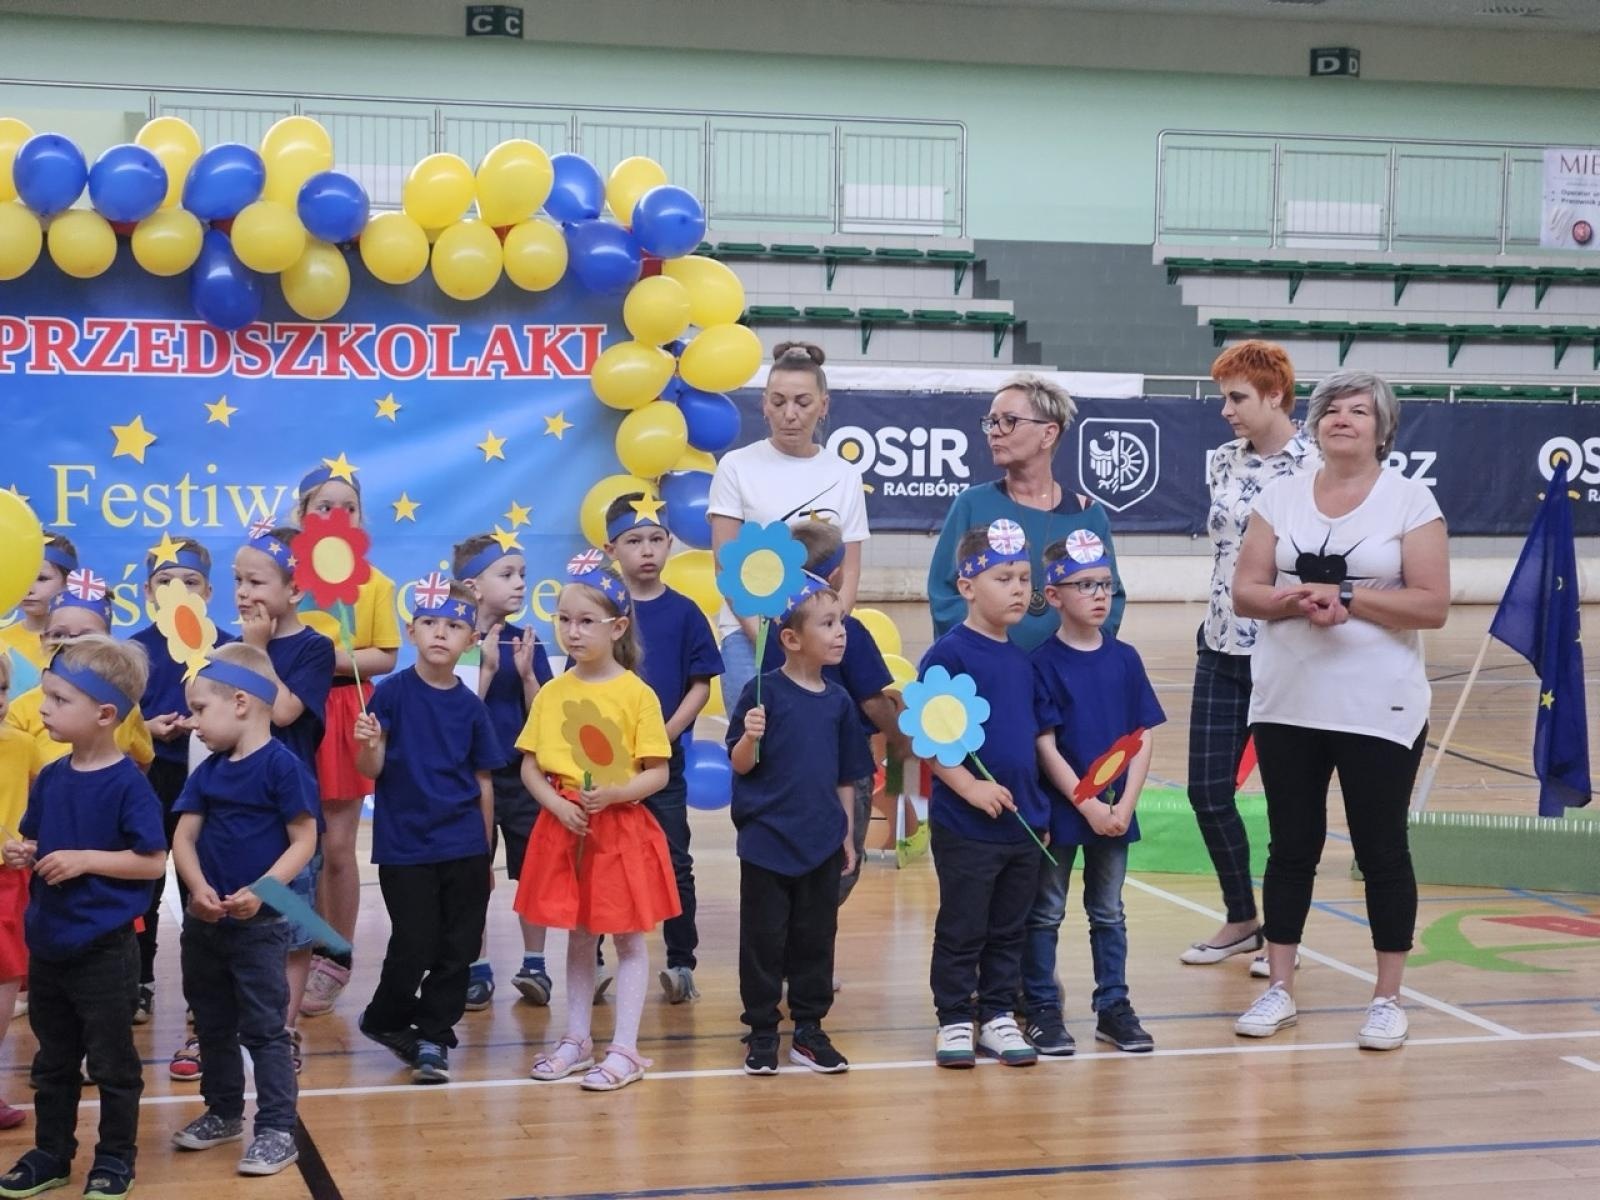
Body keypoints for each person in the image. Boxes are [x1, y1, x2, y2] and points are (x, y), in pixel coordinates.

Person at [1230, 370, 1449, 1052]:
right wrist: (1295, 600)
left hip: (1378, 706)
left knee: (1382, 849)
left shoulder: (1411, 501)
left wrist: (1347, 599)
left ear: (1383, 429)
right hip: (1289, 699)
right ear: (1315, 425)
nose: (1342, 419)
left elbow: (1432, 604)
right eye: (1331, 410)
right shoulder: (1281, 495)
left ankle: (1387, 997)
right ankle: (1280, 988)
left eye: (1359, 411)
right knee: (1291, 846)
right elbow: (1245, 590)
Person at [0, 636, 165, 1200]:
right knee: (52, 1060)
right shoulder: (51, 777)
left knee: (113, 1062)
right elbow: (37, 837)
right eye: (44, 696)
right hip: (49, 944)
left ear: (104, 714)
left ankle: (116, 1157)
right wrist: (27, 851)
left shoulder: (128, 784)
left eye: (57, 699)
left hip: (103, 949)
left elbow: (152, 862)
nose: (42, 708)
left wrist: (86, 860)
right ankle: (52, 1153)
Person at [1180, 341, 1318, 975]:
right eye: (1223, 398)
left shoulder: (1317, 467)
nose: (1226, 411)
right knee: (1207, 792)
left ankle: (1284, 936)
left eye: (1237, 398)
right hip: (1220, 646)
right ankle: (1243, 919)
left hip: (1289, 655)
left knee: (1293, 805)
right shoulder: (1219, 462)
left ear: (1276, 397)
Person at [517, 558, 677, 1093]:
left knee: (629, 940)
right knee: (580, 936)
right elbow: (530, 765)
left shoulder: (637, 694)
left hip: (619, 829)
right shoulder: (553, 691)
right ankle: (578, 1038)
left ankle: (626, 1048)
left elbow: (657, 773)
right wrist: (556, 805)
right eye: (564, 620)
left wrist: (614, 794)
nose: (572, 631)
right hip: (567, 826)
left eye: (586, 621)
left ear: (618, 627)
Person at [169, 644, 318, 1176]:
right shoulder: (207, 772)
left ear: (239, 702)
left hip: (260, 924)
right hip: (205, 923)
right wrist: (198, 889)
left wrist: (263, 888)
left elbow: (304, 839)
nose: (192, 722)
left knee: (264, 1028)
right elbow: (183, 838)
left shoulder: (283, 767)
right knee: (210, 1021)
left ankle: (277, 1128)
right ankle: (224, 1111)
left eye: (199, 709)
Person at [199, 526, 332, 1084]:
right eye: (237, 581)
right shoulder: (232, 644)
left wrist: (256, 652)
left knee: (294, 927)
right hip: (235, 815)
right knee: (232, 924)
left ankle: (284, 1027)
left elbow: (281, 713)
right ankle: (223, 1027)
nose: (244, 592)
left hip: (291, 817)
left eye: (257, 581)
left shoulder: (313, 648)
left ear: (294, 590)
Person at [1024, 532, 1166, 1057]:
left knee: (1109, 912)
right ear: (1055, 596)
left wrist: (1123, 806)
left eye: (1105, 584)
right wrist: (1084, 802)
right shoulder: (1042, 663)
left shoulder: (1126, 658)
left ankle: (1113, 1007)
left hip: (1114, 813)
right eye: (1085, 585)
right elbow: (1045, 744)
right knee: (1046, 912)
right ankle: (1041, 1008)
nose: (1099, 595)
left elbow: (1143, 734)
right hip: (1065, 811)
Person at [353, 580, 499, 1086]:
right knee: (414, 942)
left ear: (472, 638)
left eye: (455, 626)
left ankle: (434, 1036)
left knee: (458, 947)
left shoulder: (472, 707)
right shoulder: (390, 693)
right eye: (432, 623)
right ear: (412, 630)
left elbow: (483, 781)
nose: (441, 633)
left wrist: (485, 851)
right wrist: (370, 743)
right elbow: (370, 769)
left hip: (462, 844)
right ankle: (385, 1018)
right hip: (406, 845)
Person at [918, 520, 1052, 1070]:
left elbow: (1036, 741)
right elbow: (928, 740)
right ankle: (954, 1017)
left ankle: (998, 1014)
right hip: (968, 828)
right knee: (963, 923)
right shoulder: (949, 655)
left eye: (1024, 577)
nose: (1019, 588)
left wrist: (1041, 809)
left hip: (1020, 825)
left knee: (1009, 927)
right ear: (968, 587)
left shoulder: (1025, 660)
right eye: (1004, 577)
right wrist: (969, 786)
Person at [728, 571, 871, 1075]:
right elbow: (741, 764)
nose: (840, 632)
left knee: (816, 937)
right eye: (827, 623)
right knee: (764, 940)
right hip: (767, 842)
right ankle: (763, 1030)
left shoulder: (838, 701)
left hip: (821, 843)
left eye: (841, 622)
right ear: (789, 639)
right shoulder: (760, 693)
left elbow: (845, 775)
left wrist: (849, 835)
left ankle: (809, 1029)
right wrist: (749, 736)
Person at [757, 520, 913, 908]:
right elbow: (873, 700)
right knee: (845, 856)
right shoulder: (849, 629)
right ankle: (811, 942)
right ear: (836, 572)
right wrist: (900, 739)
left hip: (789, 758)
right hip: (845, 762)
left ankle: (797, 942)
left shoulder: (778, 627)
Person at [604, 494, 723, 1004]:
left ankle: (681, 961)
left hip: (663, 761)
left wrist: (665, 734)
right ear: (613, 548)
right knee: (602, 860)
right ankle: (593, 956)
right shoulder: (603, 611)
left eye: (656, 539)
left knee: (675, 859)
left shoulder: (685, 612)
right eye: (634, 541)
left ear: (670, 544)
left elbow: (700, 683)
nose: (647, 550)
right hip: (605, 763)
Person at [708, 341, 869, 707]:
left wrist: (819, 637)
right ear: (764, 404)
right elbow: (724, 566)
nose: (790, 414)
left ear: (823, 406)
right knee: (755, 753)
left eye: (802, 402)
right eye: (778, 402)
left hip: (818, 642)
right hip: (749, 636)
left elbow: (851, 575)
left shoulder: (844, 475)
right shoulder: (736, 466)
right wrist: (768, 640)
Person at [295, 462, 400, 1020]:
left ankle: (335, 954)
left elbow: (386, 654)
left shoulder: (376, 583)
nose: (337, 516)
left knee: (336, 848)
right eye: (323, 507)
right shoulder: (286, 576)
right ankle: (298, 943)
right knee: (294, 848)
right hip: (290, 712)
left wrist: (326, 657)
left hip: (342, 709)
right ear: (302, 516)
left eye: (348, 507)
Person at [928, 374, 1123, 652]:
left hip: (1062, 682)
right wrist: (988, 654)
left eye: (1009, 421)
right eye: (991, 422)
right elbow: (944, 594)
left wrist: (1073, 658)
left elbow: (1109, 600)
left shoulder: (1088, 515)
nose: (994, 431)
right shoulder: (971, 505)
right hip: (989, 674)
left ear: (1048, 433)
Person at [131, 535, 236, 1023]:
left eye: (190, 582)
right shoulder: (134, 650)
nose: (178, 589)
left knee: (212, 880)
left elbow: (247, 714)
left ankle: (212, 989)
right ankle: (138, 979)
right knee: (146, 880)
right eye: (166, 582)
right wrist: (147, 730)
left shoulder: (229, 648)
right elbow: (118, 717)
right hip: (153, 781)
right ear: (149, 592)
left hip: (214, 781)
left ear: (208, 593)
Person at [451, 534, 554, 1010]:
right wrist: (487, 669)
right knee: (472, 873)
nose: (518, 584)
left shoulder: (525, 640)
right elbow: (454, 712)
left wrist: (529, 676)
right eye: (506, 574)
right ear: (473, 586)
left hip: (519, 777)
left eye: (522, 576)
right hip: (470, 778)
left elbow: (542, 716)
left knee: (532, 869)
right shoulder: (452, 638)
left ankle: (535, 964)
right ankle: (475, 966)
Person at [4, 575, 155, 772]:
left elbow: (143, 759)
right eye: (59, 635)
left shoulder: (124, 706)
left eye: (87, 637)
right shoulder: (20, 710)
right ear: (42, 641)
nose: (69, 645)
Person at [0, 654, 40, 1131]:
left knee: (6, 983)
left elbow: (41, 801)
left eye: (2, 688)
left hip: (9, 884)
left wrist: (32, 843)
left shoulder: (23, 745)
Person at [0, 534, 76, 682]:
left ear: (68, 582)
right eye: (22, 577)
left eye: (42, 579)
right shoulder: (2, 641)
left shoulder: (82, 641)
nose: (29, 589)